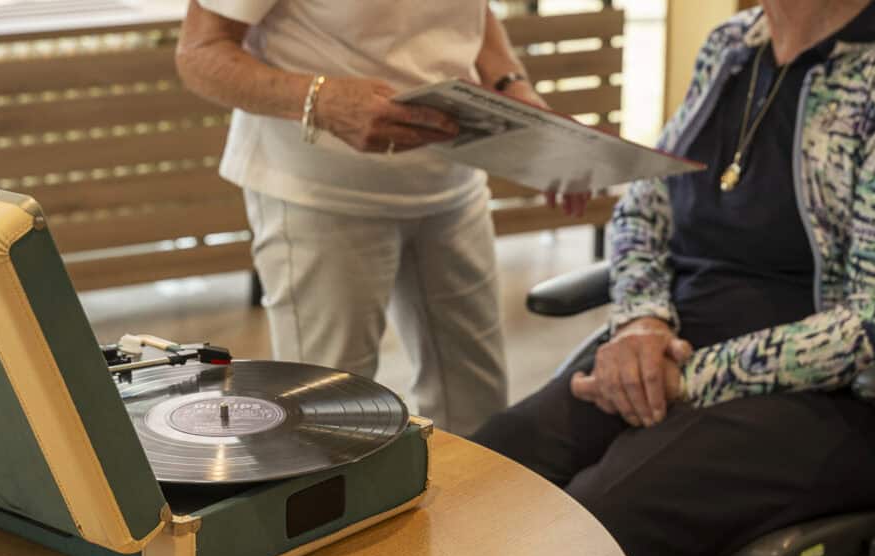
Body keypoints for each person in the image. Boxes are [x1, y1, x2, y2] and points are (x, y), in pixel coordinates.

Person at [473, 0, 875, 556]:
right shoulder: (732, 47)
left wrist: (693, 377)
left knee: (596, 525)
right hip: (675, 343)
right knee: (488, 471)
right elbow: (643, 207)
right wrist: (640, 323)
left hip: (829, 393)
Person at [176, 1, 587, 436]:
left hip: (452, 186)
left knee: (480, 412)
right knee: (327, 423)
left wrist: (510, 82)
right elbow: (200, 52)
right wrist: (322, 99)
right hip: (321, 195)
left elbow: (472, 11)